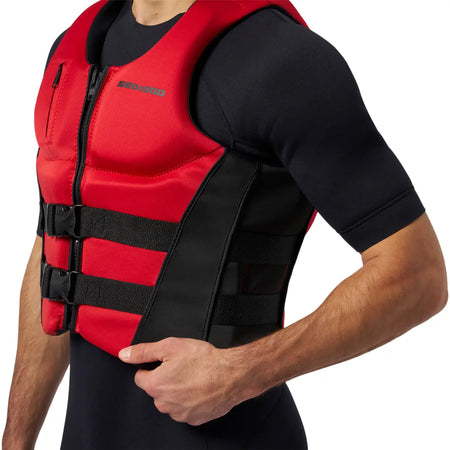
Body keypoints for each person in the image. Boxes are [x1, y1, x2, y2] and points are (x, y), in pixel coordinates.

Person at [3, 0, 447, 449]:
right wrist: (16, 440)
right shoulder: (73, 50)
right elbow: (56, 257)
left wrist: (240, 374)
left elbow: (418, 275)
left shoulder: (281, 60)